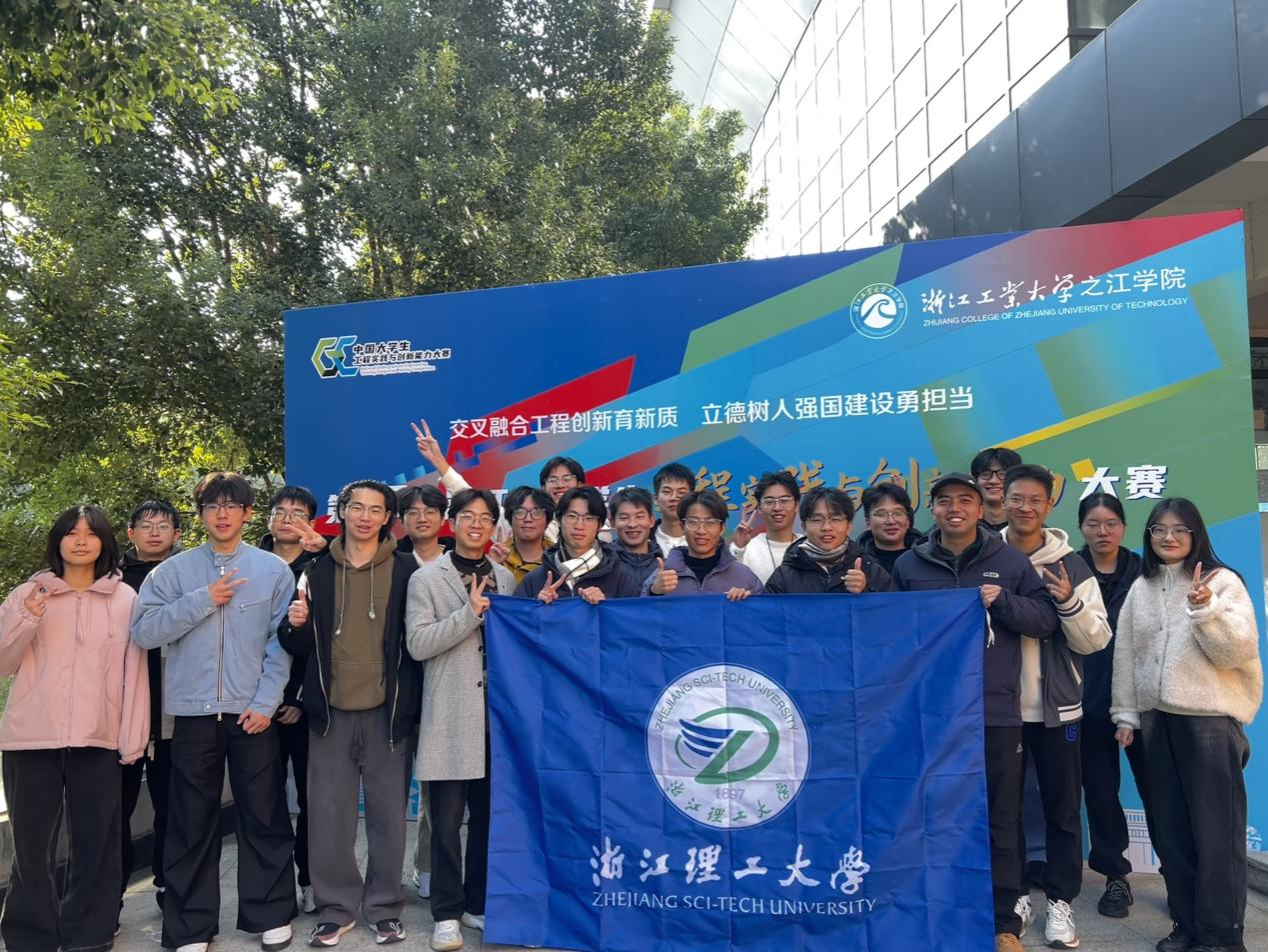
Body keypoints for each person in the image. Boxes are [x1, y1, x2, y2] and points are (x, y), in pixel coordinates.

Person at [890, 473, 1057, 952]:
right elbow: (890, 631)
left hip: (994, 711)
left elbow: (1044, 620)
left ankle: (1003, 921)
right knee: (928, 814)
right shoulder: (909, 564)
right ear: (933, 510)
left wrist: (1002, 601)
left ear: (982, 510)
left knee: (1001, 817)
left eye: (966, 500)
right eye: (944, 501)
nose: (955, 508)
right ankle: (929, 911)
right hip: (929, 715)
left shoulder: (1010, 561)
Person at [132, 471, 298, 952]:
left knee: (265, 815)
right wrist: (203, 599)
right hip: (192, 715)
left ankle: (271, 913)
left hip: (252, 716)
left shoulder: (273, 570)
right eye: (212, 506)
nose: (222, 514)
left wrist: (265, 704)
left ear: (248, 513)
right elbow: (145, 632)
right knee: (189, 822)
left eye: (232, 505)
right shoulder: (172, 573)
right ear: (200, 514)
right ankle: (190, 926)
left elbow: (279, 645)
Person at [1111, 497, 1263, 952]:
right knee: (1172, 832)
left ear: (1196, 534)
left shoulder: (1222, 582)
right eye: (1159, 529)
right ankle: (1187, 924)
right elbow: (1127, 655)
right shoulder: (1141, 587)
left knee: (1216, 833)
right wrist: (1125, 713)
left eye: (1180, 529)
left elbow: (1237, 652)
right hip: (1157, 722)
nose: (1169, 537)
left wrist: (1205, 609)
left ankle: (1219, 936)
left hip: (1209, 722)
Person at [0, 505, 149, 952]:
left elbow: (135, 673)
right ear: (57, 541)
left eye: (91, 532)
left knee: (96, 843)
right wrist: (26, 616)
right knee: (31, 847)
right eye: (71, 532)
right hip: (31, 737)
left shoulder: (125, 599)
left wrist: (132, 738)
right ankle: (30, 938)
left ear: (105, 542)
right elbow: (3, 663)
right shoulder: (29, 593)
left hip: (98, 737)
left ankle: (89, 935)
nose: (81, 540)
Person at [279, 480, 421, 947]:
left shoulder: (407, 570)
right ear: (342, 513)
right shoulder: (316, 569)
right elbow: (297, 643)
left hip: (387, 712)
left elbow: (416, 641)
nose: (364, 516)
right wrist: (293, 626)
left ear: (387, 518)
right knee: (328, 815)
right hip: (330, 712)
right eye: (356, 507)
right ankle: (336, 908)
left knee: (388, 816)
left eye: (375, 509)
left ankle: (384, 907)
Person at [999, 464, 1112, 950]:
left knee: (1063, 810)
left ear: (1049, 505)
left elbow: (1096, 639)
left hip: (1059, 711)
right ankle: (1016, 898)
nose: (1025, 507)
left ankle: (1061, 901)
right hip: (999, 712)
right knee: (1006, 812)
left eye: (1035, 500)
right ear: (1002, 501)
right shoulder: (987, 555)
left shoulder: (1071, 564)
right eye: (1016, 498)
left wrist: (1068, 604)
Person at [406, 489, 517, 952]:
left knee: (489, 821)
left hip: (497, 721)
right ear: (452, 523)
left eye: (485, 518)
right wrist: (468, 614)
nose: (476, 524)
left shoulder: (506, 578)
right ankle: (446, 912)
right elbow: (418, 644)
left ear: (494, 526)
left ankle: (478, 904)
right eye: (467, 516)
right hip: (450, 715)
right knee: (446, 825)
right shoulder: (426, 578)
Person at [1075, 492, 1154, 921]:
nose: (1102, 532)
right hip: (1086, 703)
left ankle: (1180, 874)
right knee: (1102, 795)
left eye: (1110, 523)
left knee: (1159, 793)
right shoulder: (1069, 569)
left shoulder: (1146, 571)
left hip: (1143, 704)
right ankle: (1115, 876)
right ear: (1081, 528)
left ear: (1123, 526)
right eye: (1093, 524)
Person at [260, 486, 328, 916]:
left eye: (297, 513)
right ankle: (272, 885)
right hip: (255, 708)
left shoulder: (322, 568)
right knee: (263, 804)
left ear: (312, 522)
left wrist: (299, 699)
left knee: (311, 800)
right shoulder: (251, 565)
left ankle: (309, 879)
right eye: (280, 512)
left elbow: (326, 642)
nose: (287, 519)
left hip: (305, 706)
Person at [119, 499, 182, 913]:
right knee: (114, 811)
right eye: (146, 525)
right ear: (131, 533)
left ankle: (169, 887)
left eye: (163, 525)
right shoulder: (112, 580)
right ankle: (110, 895)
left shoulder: (188, 575)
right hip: (121, 714)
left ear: (177, 533)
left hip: (175, 713)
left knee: (173, 809)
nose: (154, 532)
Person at [395, 483, 451, 900]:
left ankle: (427, 864)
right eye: (412, 512)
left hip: (445, 688)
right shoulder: (389, 562)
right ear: (400, 520)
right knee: (390, 790)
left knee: (437, 789)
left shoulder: (459, 563)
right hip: (397, 689)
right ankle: (384, 876)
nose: (422, 518)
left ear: (443, 517)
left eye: (430, 510)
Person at [411, 418, 580, 544]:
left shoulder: (592, 523)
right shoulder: (519, 522)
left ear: (580, 485)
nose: (560, 485)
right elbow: (468, 496)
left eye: (567, 479)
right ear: (543, 487)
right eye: (553, 480)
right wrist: (438, 460)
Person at [516, 486, 642, 602]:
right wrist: (537, 607)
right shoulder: (535, 579)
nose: (579, 525)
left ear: (600, 525)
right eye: (572, 516)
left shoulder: (621, 576)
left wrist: (606, 605)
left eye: (589, 518)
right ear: (559, 520)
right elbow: (516, 617)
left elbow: (633, 617)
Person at [764, 487, 891, 594]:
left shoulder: (869, 568)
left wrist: (865, 590)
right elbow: (767, 614)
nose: (826, 527)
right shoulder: (784, 576)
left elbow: (892, 610)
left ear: (848, 527)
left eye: (835, 519)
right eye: (817, 519)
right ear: (804, 527)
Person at [642, 490, 763, 600]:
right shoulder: (664, 575)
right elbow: (640, 614)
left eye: (710, 523)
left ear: (722, 528)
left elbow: (763, 613)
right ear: (682, 526)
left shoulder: (744, 577)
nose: (701, 531)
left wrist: (745, 603)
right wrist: (654, 593)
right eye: (693, 522)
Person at [730, 470, 801, 584]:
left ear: (796, 505)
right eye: (769, 502)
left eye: (784, 501)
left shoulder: (807, 547)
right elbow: (729, 582)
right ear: (759, 507)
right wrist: (738, 547)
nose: (777, 508)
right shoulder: (748, 549)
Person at [490, 485, 554, 584]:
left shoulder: (558, 559)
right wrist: (491, 566)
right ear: (510, 518)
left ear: (547, 520)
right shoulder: (496, 557)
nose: (528, 519)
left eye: (537, 513)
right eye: (520, 512)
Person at [857, 482, 923, 573]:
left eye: (898, 513)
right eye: (881, 514)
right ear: (868, 523)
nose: (891, 521)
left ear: (908, 520)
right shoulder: (857, 562)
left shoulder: (927, 556)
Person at [607, 486, 662, 578]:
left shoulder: (665, 566)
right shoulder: (604, 563)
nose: (632, 524)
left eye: (639, 517)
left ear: (651, 520)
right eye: (624, 518)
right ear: (612, 522)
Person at [397, 484, 452, 567]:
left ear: (442, 519)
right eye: (413, 513)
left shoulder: (460, 557)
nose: (422, 519)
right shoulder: (391, 559)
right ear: (402, 521)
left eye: (430, 512)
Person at [971, 447, 1022, 532]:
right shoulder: (964, 528)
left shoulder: (1033, 531)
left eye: (1003, 474)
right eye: (986, 474)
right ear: (975, 480)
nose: (993, 481)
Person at [652, 462, 695, 554]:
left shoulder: (705, 540)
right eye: (667, 492)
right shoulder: (643, 540)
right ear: (656, 499)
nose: (673, 497)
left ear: (692, 499)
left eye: (681, 493)